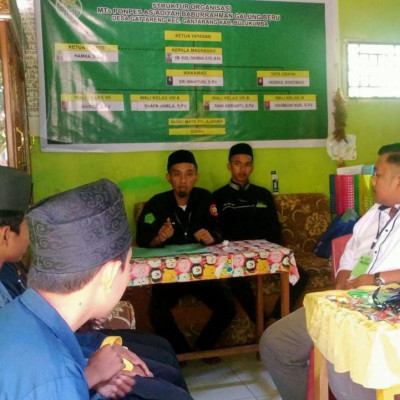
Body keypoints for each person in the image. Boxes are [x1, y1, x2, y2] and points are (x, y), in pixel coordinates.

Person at [0, 172, 192, 399]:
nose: (129, 273)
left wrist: (88, 380)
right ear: (109, 274)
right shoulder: (54, 381)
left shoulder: (18, 313)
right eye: (128, 263)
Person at [259, 143, 400, 400]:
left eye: (378, 175)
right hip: (347, 304)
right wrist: (343, 284)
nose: (372, 183)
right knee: (276, 343)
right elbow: (354, 257)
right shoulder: (372, 215)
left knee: (358, 370)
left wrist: (377, 279)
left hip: (385, 312)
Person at [136, 150, 236, 354]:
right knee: (157, 312)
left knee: (227, 307)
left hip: (202, 273)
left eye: (189, 174)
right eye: (177, 174)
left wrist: (211, 237)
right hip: (169, 275)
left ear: (196, 177)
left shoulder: (205, 198)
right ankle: (183, 353)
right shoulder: (156, 203)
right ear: (168, 177)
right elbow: (141, 238)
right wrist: (158, 238)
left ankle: (203, 347)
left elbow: (219, 228)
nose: (183, 180)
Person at [213, 143, 308, 322]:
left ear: (252, 167)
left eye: (247, 164)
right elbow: (217, 231)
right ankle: (263, 325)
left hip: (266, 254)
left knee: (301, 275)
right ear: (229, 166)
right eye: (237, 163)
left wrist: (272, 253)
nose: (243, 169)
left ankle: (275, 320)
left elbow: (274, 228)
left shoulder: (262, 195)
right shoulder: (218, 197)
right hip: (236, 257)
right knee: (236, 281)